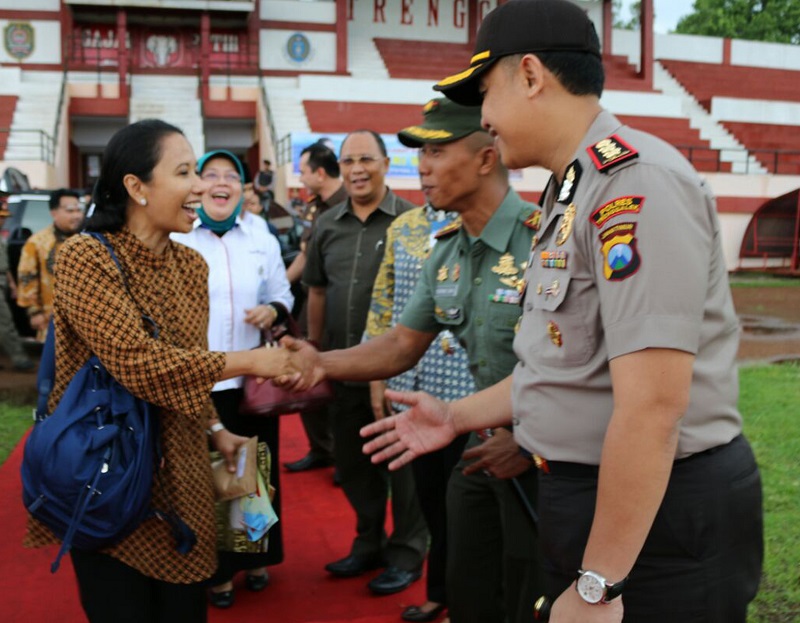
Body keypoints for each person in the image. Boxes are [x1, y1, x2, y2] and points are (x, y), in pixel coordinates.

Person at [359, 2, 764, 622]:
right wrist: (456, 415)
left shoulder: (633, 185)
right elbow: (567, 362)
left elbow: (652, 407)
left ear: (529, 76)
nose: (484, 117)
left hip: (657, 523)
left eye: (486, 92)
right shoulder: (572, 189)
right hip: (603, 504)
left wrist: (601, 583)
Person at [23, 119, 299, 623]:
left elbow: (185, 373)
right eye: (185, 172)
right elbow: (137, 363)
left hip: (183, 478)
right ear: (136, 187)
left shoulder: (191, 267)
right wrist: (250, 360)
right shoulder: (86, 257)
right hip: (108, 471)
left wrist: (218, 430)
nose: (200, 186)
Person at [286, 100, 544, 622]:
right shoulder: (447, 248)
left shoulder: (544, 241)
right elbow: (401, 344)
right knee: (468, 584)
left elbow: (585, 365)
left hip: (542, 457)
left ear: (487, 159)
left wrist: (528, 440)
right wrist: (322, 363)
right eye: (420, 153)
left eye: (436, 151)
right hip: (482, 448)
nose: (422, 166)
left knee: (528, 594)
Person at [302, 129, 428, 595]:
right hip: (343, 366)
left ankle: (408, 552)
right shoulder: (327, 225)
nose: (356, 169)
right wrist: (314, 349)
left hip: (400, 372)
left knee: (403, 468)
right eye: (348, 160)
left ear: (385, 163)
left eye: (366, 159)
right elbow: (316, 290)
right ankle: (368, 542)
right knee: (355, 463)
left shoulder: (414, 223)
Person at [172, 149, 294, 609]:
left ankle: (254, 558)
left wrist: (274, 309)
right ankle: (218, 571)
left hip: (251, 383)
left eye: (232, 176)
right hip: (197, 382)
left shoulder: (259, 236)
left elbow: (283, 293)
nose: (221, 183)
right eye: (211, 175)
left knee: (254, 475)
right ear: (197, 187)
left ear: (244, 188)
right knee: (205, 480)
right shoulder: (181, 236)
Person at [283, 141, 347, 474]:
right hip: (311, 304)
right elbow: (307, 256)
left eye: (304, 171)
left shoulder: (350, 204)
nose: (302, 178)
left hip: (342, 308)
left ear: (320, 173)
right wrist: (278, 288)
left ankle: (342, 453)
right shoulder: (317, 206)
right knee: (307, 374)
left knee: (339, 382)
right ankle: (322, 449)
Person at [16, 188, 84, 341]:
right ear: (54, 213)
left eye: (79, 210)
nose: (77, 216)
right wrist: (34, 311)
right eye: (70, 211)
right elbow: (27, 277)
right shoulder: (38, 242)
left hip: (84, 319)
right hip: (51, 320)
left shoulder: (86, 240)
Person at [0, 193, 35, 371]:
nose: (3, 221)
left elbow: (4, 267)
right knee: (5, 322)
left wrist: (12, 285)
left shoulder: (1, 239)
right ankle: (19, 358)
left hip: (2, 282)